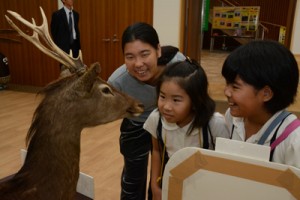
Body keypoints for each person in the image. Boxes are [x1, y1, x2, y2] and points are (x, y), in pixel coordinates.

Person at [107, 22, 185, 200]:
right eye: (130, 57)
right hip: (136, 123)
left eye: (144, 54)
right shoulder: (117, 82)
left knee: (165, 179)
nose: (138, 64)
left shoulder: (178, 66)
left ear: (158, 50)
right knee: (133, 180)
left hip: (169, 124)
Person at [143, 59, 230, 199]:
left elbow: (226, 163)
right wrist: (154, 186)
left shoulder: (214, 123)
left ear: (196, 101)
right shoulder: (156, 119)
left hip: (206, 188)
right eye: (162, 96)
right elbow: (156, 150)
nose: (166, 106)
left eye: (176, 100)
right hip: (172, 183)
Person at [222, 40, 300, 168]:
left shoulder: (293, 141)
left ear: (266, 94)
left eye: (235, 87)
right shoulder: (233, 119)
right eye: (227, 84)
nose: (226, 92)